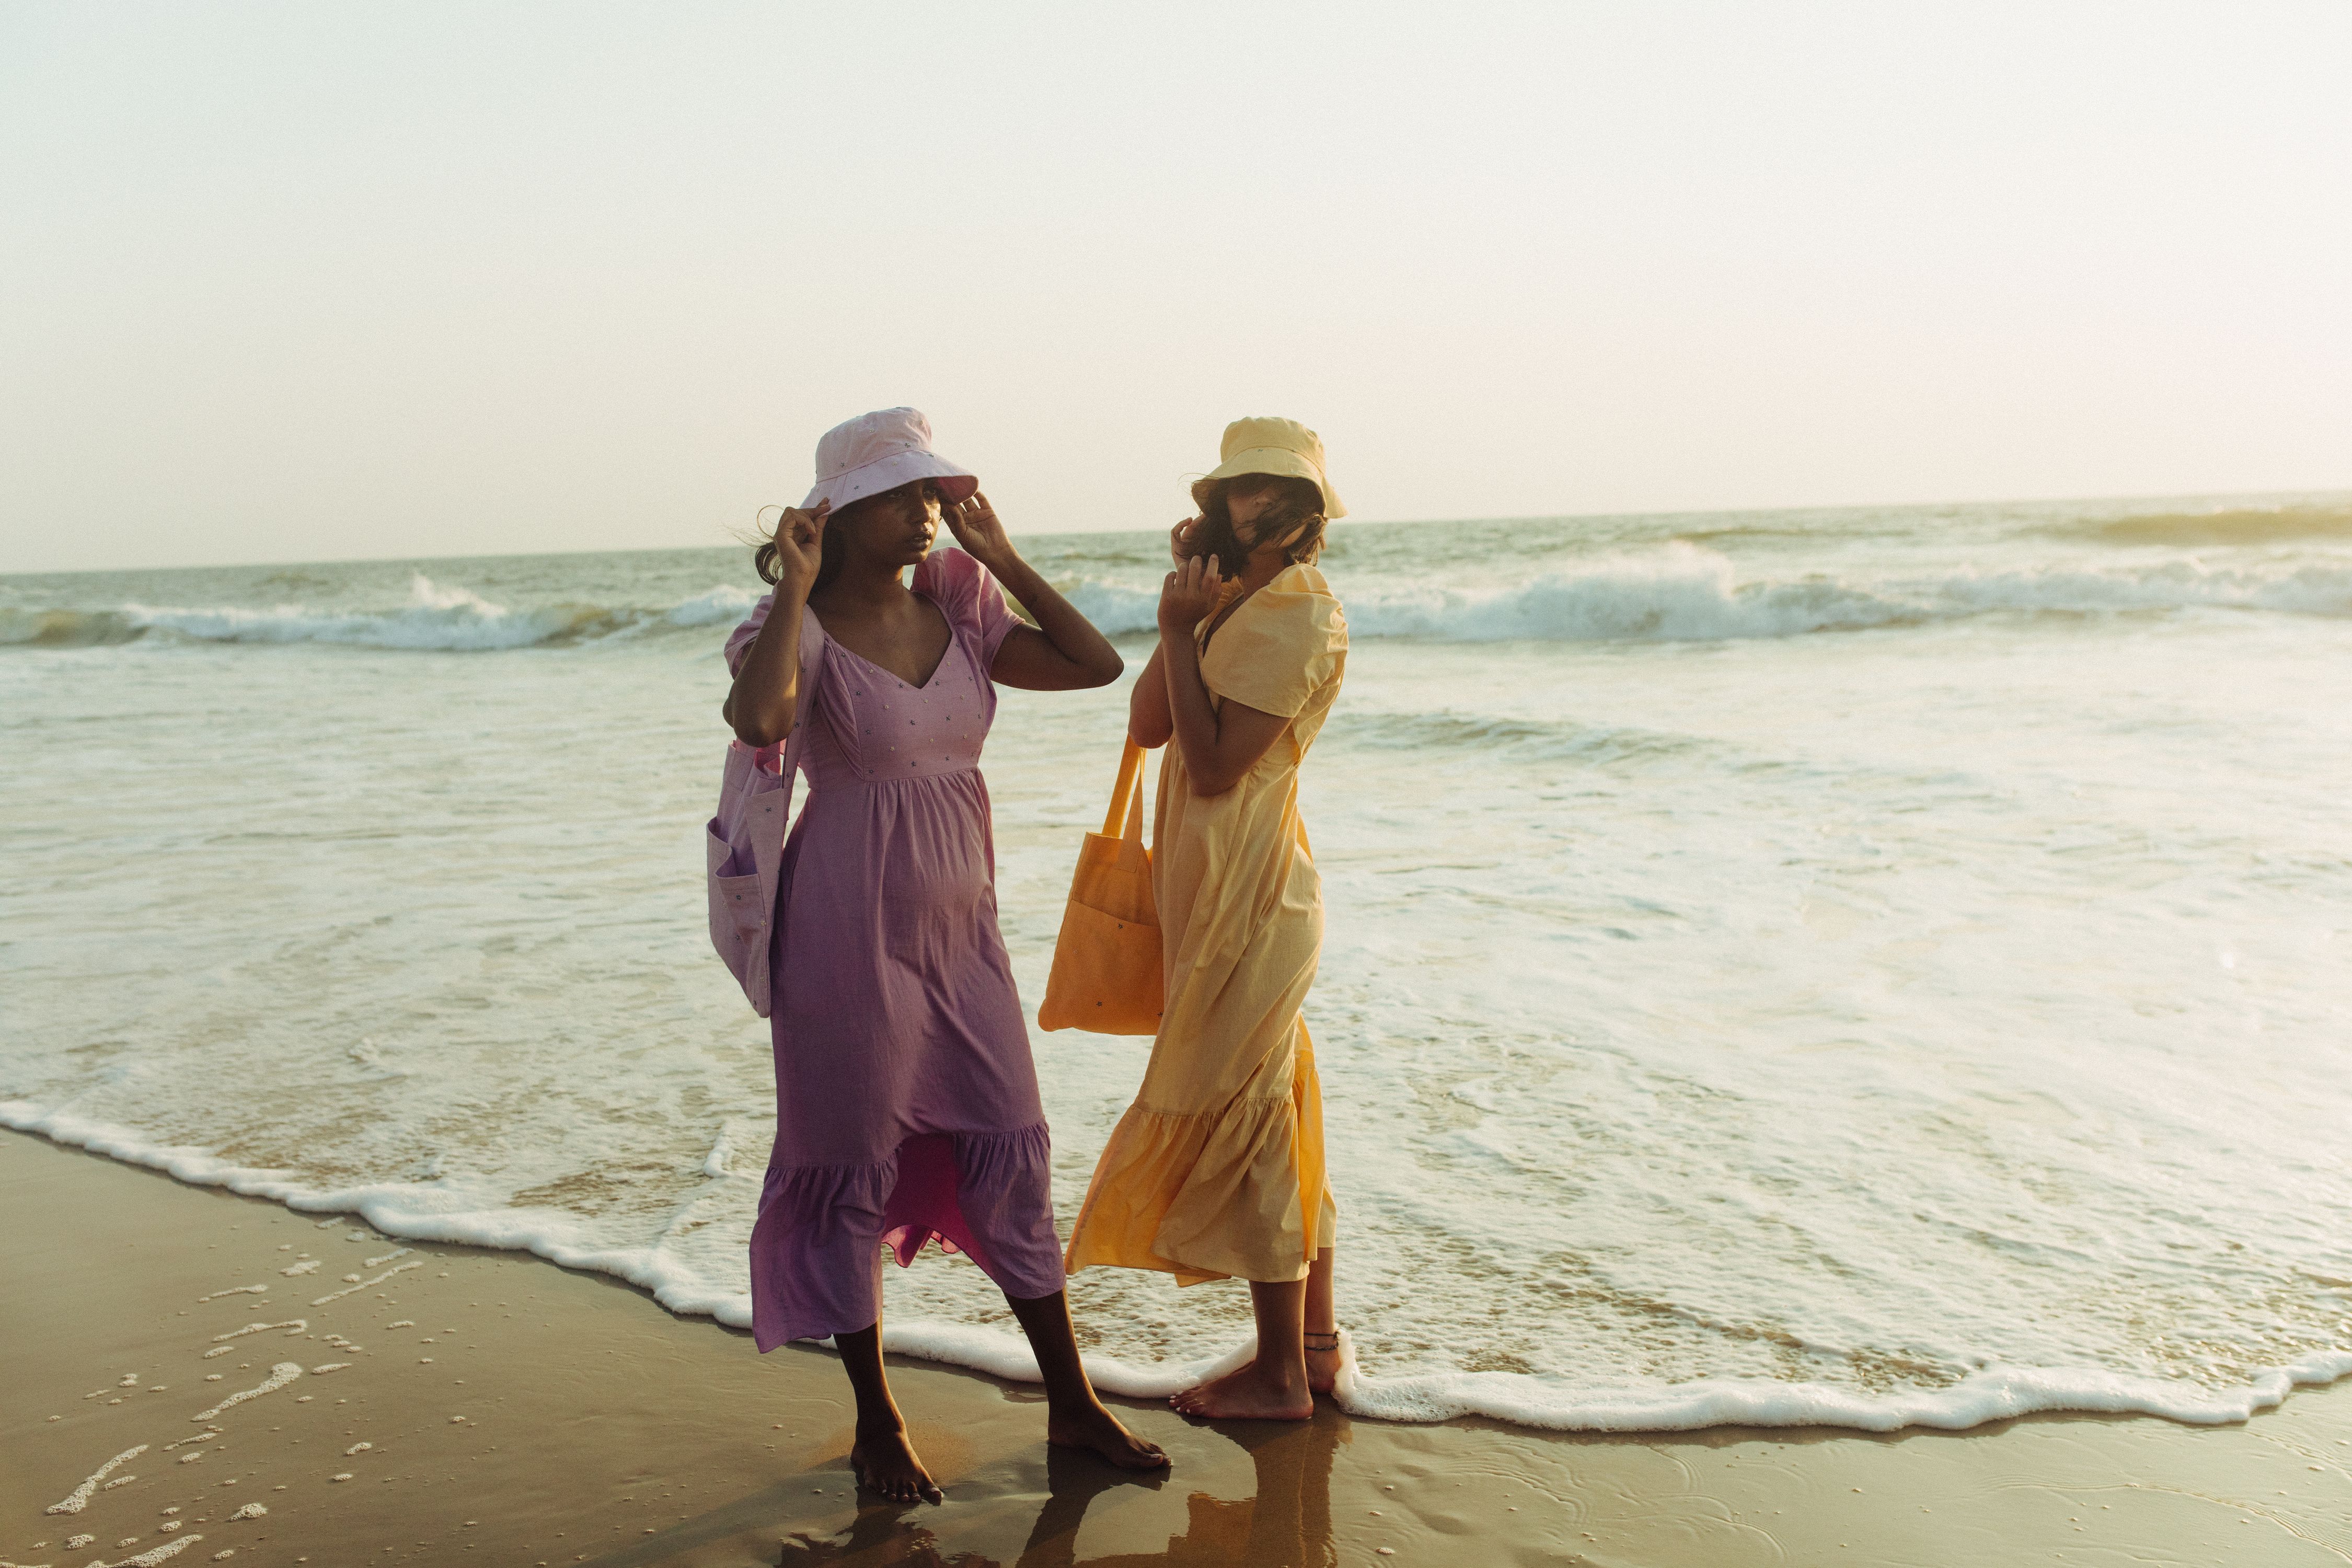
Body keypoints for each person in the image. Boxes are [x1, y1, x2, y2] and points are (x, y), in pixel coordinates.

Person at [721, 407, 1167, 1501]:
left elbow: (1095, 665)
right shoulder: (795, 631)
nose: (930, 512)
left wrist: (1004, 555)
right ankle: (878, 1422)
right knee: (851, 1165)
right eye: (909, 496)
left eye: (938, 493)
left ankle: (1074, 1405)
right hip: (842, 932)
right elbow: (759, 717)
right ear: (840, 511)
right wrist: (792, 587)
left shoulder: (964, 608)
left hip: (962, 933)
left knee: (1009, 1138)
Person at [1062, 417, 1350, 1420]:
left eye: (1270, 489)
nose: (1247, 504)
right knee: (1278, 1104)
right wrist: (1181, 619)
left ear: (1305, 510)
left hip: (1254, 896)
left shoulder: (1304, 611)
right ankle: (1310, 1349)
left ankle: (1278, 1379)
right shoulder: (1238, 602)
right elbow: (1150, 727)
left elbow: (1222, 765)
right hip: (1211, 894)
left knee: (1259, 1116)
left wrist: (1188, 633)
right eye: (1235, 489)